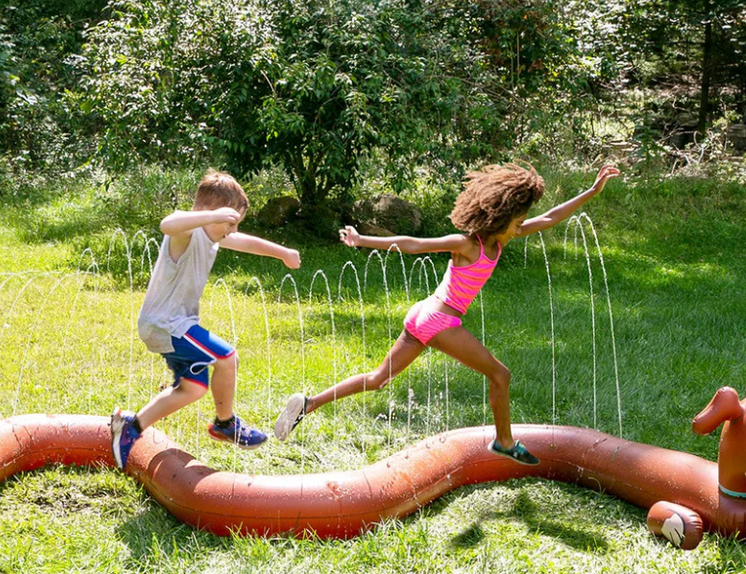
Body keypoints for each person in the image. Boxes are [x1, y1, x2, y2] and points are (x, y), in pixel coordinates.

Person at [273, 162, 620, 464]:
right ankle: (504, 441)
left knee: (378, 379)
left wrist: (591, 190)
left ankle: (308, 403)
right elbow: (414, 244)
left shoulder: (501, 238)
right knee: (500, 375)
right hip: (439, 320)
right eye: (516, 222)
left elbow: (549, 218)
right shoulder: (468, 243)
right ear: (499, 217)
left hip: (422, 314)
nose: (520, 227)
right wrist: (363, 241)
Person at [111, 169, 301, 470]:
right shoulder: (185, 234)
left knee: (193, 388)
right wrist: (207, 217)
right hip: (167, 323)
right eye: (230, 223)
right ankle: (225, 424)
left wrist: (284, 254)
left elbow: (246, 243)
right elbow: (167, 223)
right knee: (227, 357)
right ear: (207, 215)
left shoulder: (213, 236)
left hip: (175, 325)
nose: (231, 230)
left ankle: (131, 426)